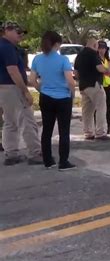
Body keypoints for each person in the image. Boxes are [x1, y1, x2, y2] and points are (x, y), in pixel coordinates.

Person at [29, 31, 76, 170]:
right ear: (57, 44)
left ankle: (48, 161)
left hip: (46, 97)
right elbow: (70, 81)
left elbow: (32, 79)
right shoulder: (63, 60)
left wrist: (40, 89)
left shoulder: (37, 59)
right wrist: (72, 94)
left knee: (47, 130)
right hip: (63, 98)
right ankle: (63, 162)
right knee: (64, 131)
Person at [0, 21, 42, 166]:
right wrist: (25, 91)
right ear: (7, 30)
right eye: (18, 32)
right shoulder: (7, 48)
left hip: (3, 89)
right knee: (27, 120)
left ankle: (11, 153)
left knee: (10, 122)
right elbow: (13, 70)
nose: (21, 35)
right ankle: (35, 153)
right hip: (12, 88)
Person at [74, 38, 110, 141]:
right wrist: (108, 69)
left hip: (83, 85)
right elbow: (100, 68)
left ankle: (88, 133)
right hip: (94, 84)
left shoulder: (79, 55)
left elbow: (76, 73)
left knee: (87, 110)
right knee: (101, 107)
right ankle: (100, 133)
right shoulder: (93, 54)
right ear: (95, 45)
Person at [98, 41, 110, 135]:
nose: (102, 50)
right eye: (100, 48)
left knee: (108, 107)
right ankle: (99, 128)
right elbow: (102, 71)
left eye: (103, 48)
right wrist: (106, 71)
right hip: (99, 85)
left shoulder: (107, 59)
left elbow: (108, 72)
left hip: (108, 84)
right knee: (98, 108)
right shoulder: (96, 59)